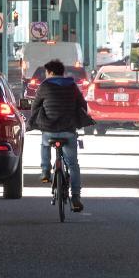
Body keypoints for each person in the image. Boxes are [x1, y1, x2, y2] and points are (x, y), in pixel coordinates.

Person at [29, 59, 93, 212]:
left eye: (46, 72)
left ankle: (45, 171)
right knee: (73, 165)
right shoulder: (72, 86)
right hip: (68, 130)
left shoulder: (45, 85)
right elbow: (82, 105)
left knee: (44, 144)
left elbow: (35, 106)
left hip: (49, 129)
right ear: (62, 72)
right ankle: (76, 197)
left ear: (50, 72)